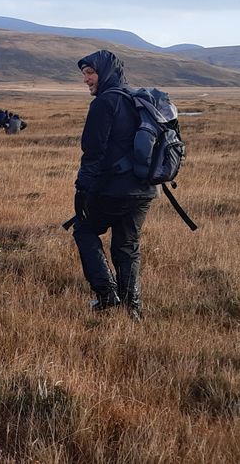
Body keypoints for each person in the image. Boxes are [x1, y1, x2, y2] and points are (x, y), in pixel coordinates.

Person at [72, 50, 156, 321]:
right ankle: (132, 309)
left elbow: (93, 152)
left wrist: (82, 190)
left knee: (84, 230)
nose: (86, 79)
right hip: (144, 189)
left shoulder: (105, 103)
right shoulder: (137, 100)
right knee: (127, 245)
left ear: (104, 73)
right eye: (84, 73)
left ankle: (107, 296)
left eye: (90, 73)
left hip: (114, 189)